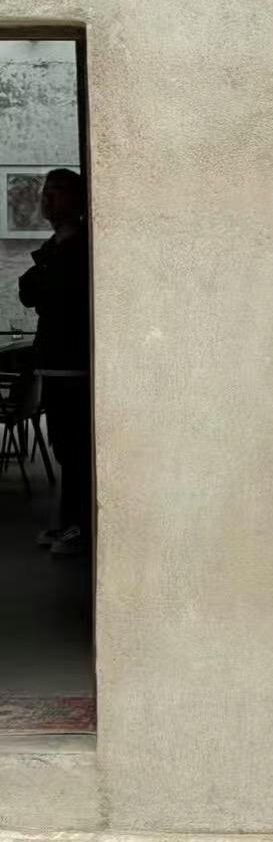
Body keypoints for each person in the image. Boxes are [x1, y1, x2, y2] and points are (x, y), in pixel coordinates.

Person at [18, 168, 92, 557]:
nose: (47, 198)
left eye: (57, 191)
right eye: (46, 191)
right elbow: (29, 293)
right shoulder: (55, 246)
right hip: (55, 363)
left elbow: (58, 295)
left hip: (74, 365)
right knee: (64, 447)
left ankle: (79, 528)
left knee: (77, 450)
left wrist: (45, 282)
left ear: (77, 200)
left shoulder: (80, 247)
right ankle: (69, 524)